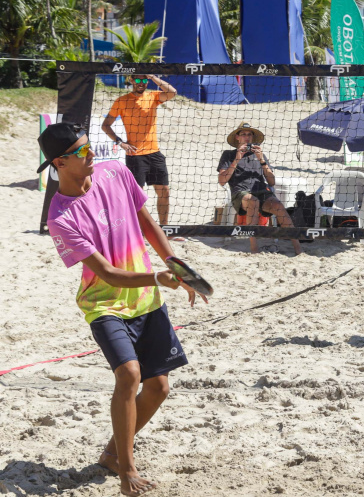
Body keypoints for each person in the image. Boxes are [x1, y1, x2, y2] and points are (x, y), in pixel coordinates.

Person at [39, 122, 206, 497]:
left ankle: (112, 454)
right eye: (83, 151)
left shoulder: (114, 172)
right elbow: (110, 275)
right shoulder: (60, 218)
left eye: (90, 146)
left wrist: (177, 268)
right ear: (60, 163)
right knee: (129, 375)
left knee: (159, 388)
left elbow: (147, 221)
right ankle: (127, 470)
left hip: (145, 301)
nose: (93, 154)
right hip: (104, 304)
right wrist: (158, 278)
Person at [101, 74, 179, 231]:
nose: (141, 83)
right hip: (135, 155)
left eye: (144, 80)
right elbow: (105, 125)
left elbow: (172, 92)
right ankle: (138, 230)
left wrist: (153, 77)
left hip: (154, 153)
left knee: (164, 191)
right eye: (138, 79)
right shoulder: (122, 101)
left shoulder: (153, 96)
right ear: (131, 80)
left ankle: (164, 228)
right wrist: (120, 142)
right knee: (137, 197)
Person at [217, 123, 302, 255]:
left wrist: (262, 160)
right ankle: (254, 248)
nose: (247, 137)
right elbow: (222, 181)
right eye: (243, 134)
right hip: (240, 193)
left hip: (261, 192)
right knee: (253, 201)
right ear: (237, 138)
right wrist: (237, 159)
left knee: (278, 206)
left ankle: (297, 247)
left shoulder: (260, 155)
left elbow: (271, 182)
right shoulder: (228, 154)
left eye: (249, 134)